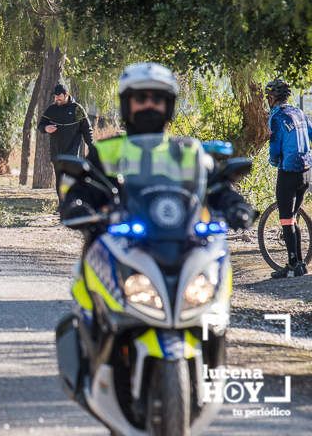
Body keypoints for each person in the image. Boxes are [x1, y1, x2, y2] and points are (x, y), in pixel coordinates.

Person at [61, 62, 255, 313]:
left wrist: (235, 206)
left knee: (213, 310)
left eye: (158, 99)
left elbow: (216, 187)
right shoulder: (107, 151)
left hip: (182, 242)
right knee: (91, 305)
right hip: (122, 246)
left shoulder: (189, 152)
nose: (149, 105)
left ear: (169, 106)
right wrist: (76, 205)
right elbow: (84, 188)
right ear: (127, 104)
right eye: (141, 98)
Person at [265, 78, 312, 278]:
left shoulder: (276, 116)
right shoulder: (299, 113)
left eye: (268, 96)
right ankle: (299, 265)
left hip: (288, 171)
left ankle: (294, 265)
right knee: (292, 218)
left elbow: (275, 147)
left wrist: (274, 161)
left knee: (286, 219)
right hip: (306, 171)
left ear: (273, 97)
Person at [37, 83, 93, 200]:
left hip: (72, 152)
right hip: (56, 152)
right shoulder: (52, 109)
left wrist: (92, 147)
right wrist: (46, 128)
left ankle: (71, 202)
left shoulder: (77, 109)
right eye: (55, 96)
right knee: (59, 179)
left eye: (59, 95)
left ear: (66, 94)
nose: (57, 98)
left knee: (69, 179)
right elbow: (41, 125)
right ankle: (62, 204)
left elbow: (87, 130)